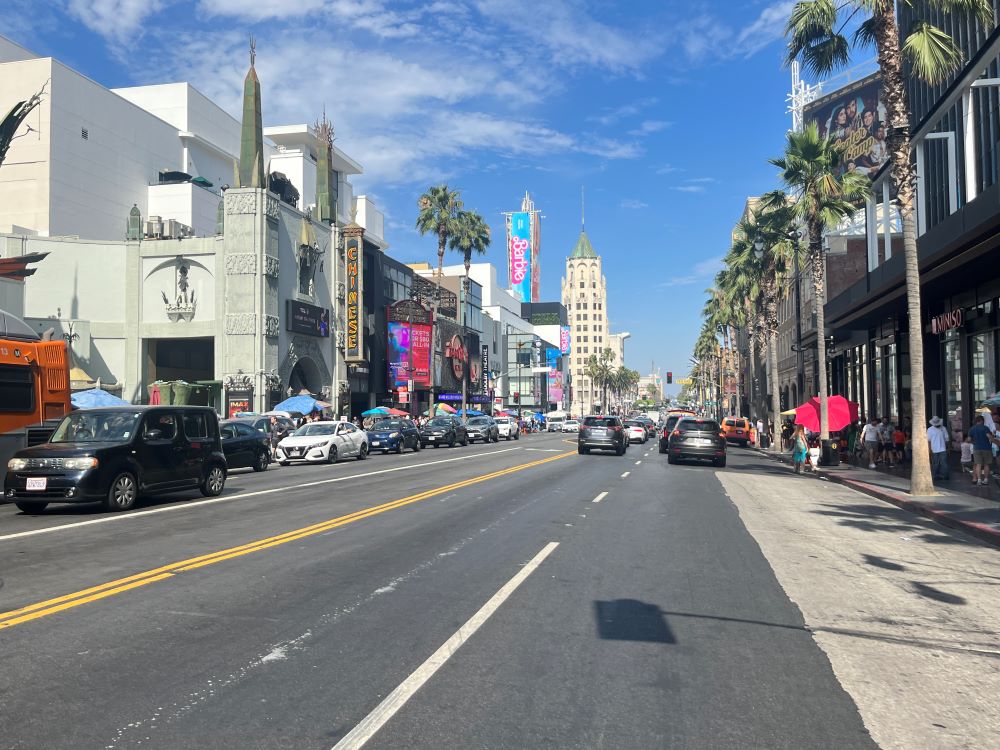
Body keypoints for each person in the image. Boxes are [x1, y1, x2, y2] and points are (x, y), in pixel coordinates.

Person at [968, 415, 994, 486]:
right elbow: (989, 437)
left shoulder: (972, 429)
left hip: (977, 448)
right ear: (982, 421)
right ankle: (985, 480)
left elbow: (969, 440)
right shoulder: (985, 428)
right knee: (986, 464)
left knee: (978, 465)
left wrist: (974, 442)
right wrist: (993, 439)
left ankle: (979, 480)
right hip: (986, 448)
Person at [927, 415, 950, 481]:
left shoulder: (943, 428)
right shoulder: (930, 429)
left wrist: (948, 448)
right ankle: (935, 475)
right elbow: (928, 440)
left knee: (943, 463)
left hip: (943, 449)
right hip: (934, 449)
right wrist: (929, 449)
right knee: (935, 463)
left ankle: (945, 475)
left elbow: (947, 439)